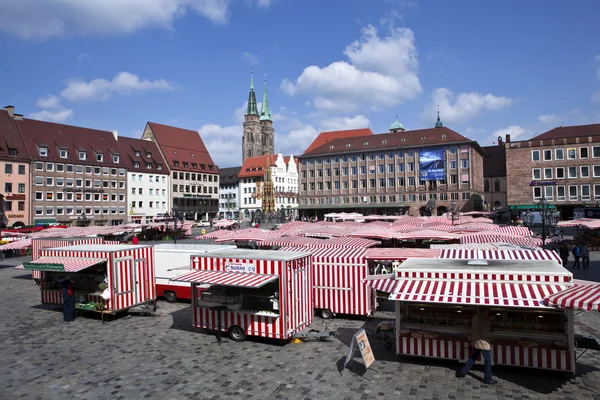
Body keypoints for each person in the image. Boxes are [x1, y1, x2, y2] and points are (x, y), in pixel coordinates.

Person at [456, 309, 496, 384]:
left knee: (473, 357)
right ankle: (488, 379)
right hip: (483, 343)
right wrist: (492, 333)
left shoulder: (475, 316)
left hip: (475, 341)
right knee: (488, 361)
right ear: (488, 312)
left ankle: (463, 371)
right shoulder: (484, 320)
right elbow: (485, 334)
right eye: (492, 317)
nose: (492, 319)